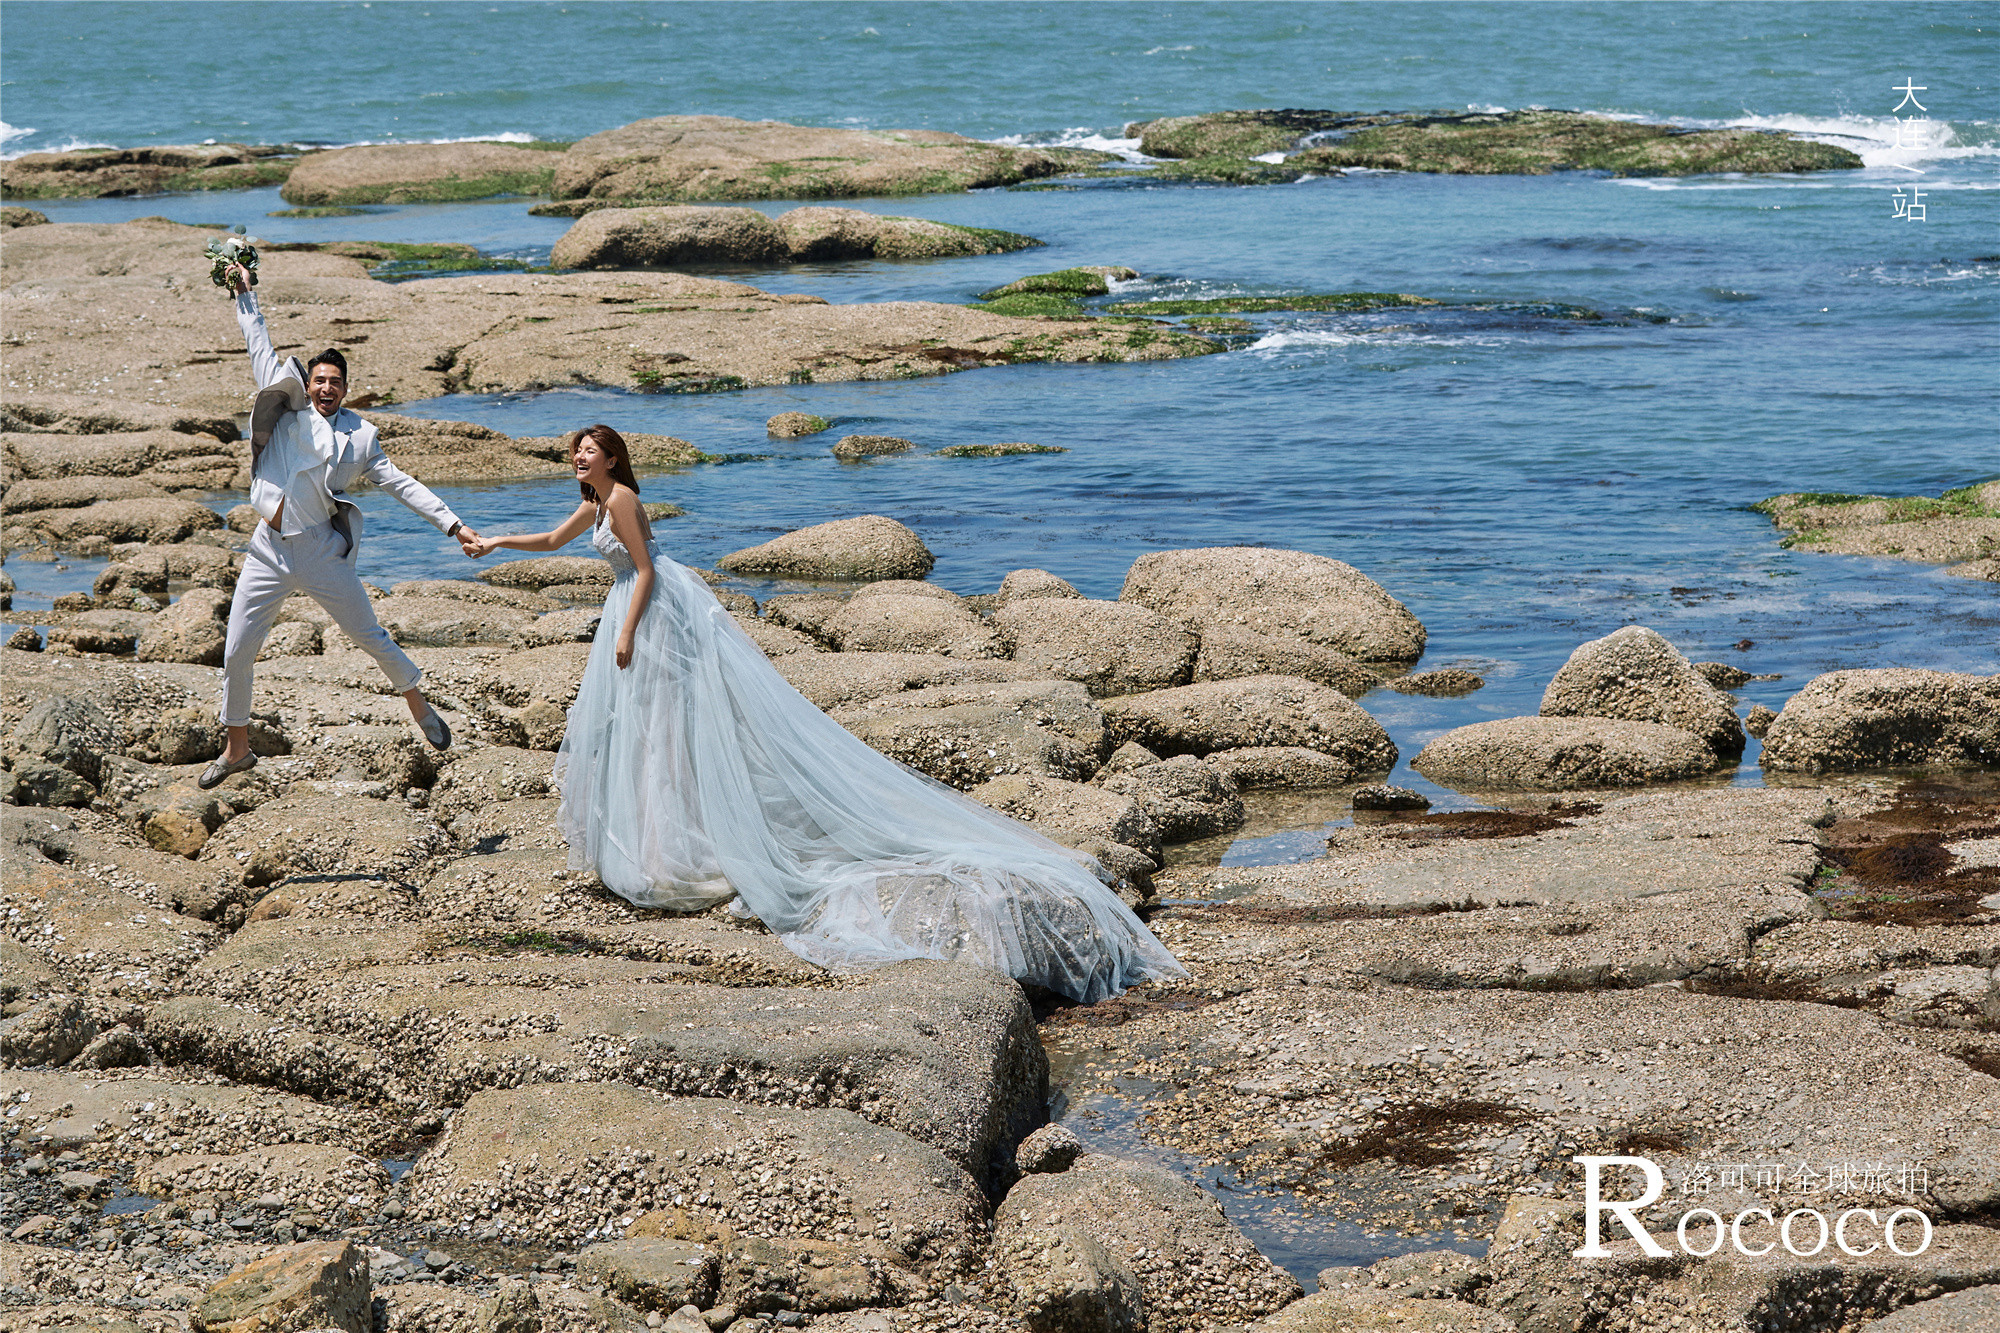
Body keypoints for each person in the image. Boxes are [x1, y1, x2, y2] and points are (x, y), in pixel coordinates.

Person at [465, 424, 1182, 1003]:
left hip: (652, 614)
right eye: (576, 451)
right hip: (631, 609)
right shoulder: (594, 504)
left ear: (614, 457)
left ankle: (679, 850)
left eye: (589, 450)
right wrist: (493, 542)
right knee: (648, 733)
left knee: (668, 730)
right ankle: (658, 847)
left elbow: (647, 569)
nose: (579, 457)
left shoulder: (621, 498)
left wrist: (625, 632)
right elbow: (553, 543)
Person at [201, 264, 482, 789]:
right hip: (267, 549)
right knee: (236, 649)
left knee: (368, 635)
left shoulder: (362, 436)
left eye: (335, 382)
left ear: (346, 390)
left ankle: (419, 706)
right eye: (319, 380)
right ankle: (236, 748)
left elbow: (401, 484)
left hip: (321, 552)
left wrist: (453, 525)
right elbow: (258, 344)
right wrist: (244, 293)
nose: (326, 387)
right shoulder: (287, 412)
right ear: (307, 386)